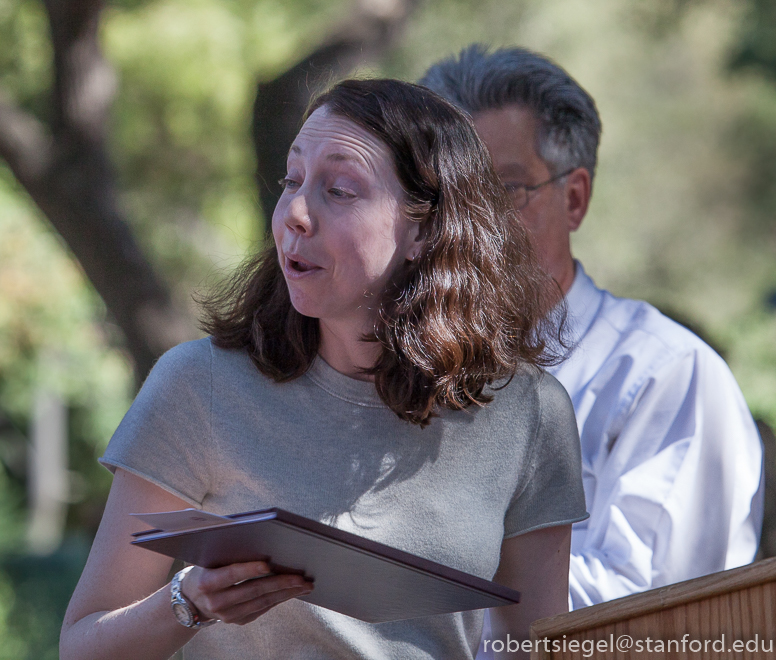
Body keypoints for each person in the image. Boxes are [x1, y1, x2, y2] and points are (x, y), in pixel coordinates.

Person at [60, 78, 588, 660]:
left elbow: (541, 647)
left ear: (423, 229)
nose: (295, 213)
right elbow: (83, 645)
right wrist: (189, 601)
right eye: (292, 180)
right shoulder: (197, 385)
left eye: (338, 189)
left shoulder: (530, 412)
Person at [420, 45, 765, 613]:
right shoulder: (396, 369)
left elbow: (654, 614)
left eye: (504, 190)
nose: (469, 221)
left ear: (574, 198)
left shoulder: (666, 375)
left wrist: (410, 557)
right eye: (445, 195)